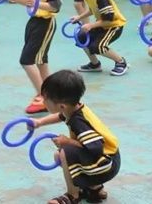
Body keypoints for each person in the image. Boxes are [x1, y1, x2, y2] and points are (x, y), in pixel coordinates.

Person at [29, 70, 120, 204]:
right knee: (62, 155)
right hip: (109, 159)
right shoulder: (74, 108)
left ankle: (72, 195)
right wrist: (39, 122)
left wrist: (68, 142)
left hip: (106, 164)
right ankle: (94, 189)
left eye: (45, 99)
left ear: (61, 106)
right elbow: (60, 116)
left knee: (64, 153)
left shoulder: (78, 121)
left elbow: (96, 148)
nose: (43, 102)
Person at [7, 0, 62, 114]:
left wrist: (37, 4)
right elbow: (29, 1)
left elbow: (55, 5)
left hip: (45, 24)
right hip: (34, 22)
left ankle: (43, 96)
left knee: (26, 60)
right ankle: (52, 95)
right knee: (41, 61)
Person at [71, 0, 128, 77]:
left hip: (114, 26)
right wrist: (79, 17)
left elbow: (109, 19)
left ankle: (121, 62)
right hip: (103, 24)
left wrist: (91, 25)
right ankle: (95, 64)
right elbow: (93, 10)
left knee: (98, 46)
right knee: (81, 37)